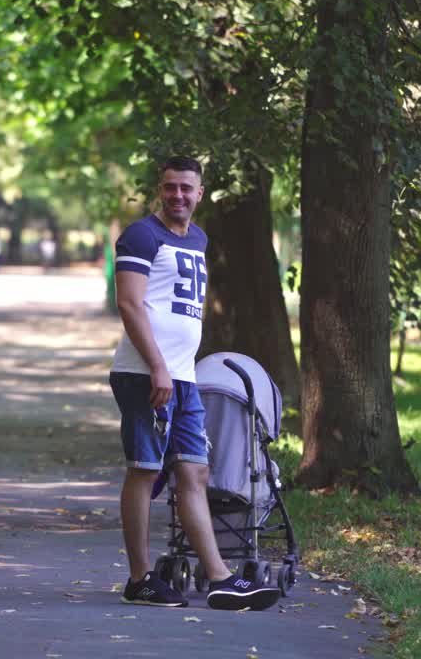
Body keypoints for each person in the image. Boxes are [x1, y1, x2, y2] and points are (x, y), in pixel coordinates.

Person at [110, 155, 280, 611]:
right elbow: (129, 304)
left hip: (182, 376)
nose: (178, 195)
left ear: (200, 193)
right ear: (158, 190)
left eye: (187, 188)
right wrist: (158, 366)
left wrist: (178, 368)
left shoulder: (199, 238)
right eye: (170, 187)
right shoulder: (141, 235)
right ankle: (140, 578)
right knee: (145, 470)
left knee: (195, 472)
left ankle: (220, 578)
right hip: (145, 373)